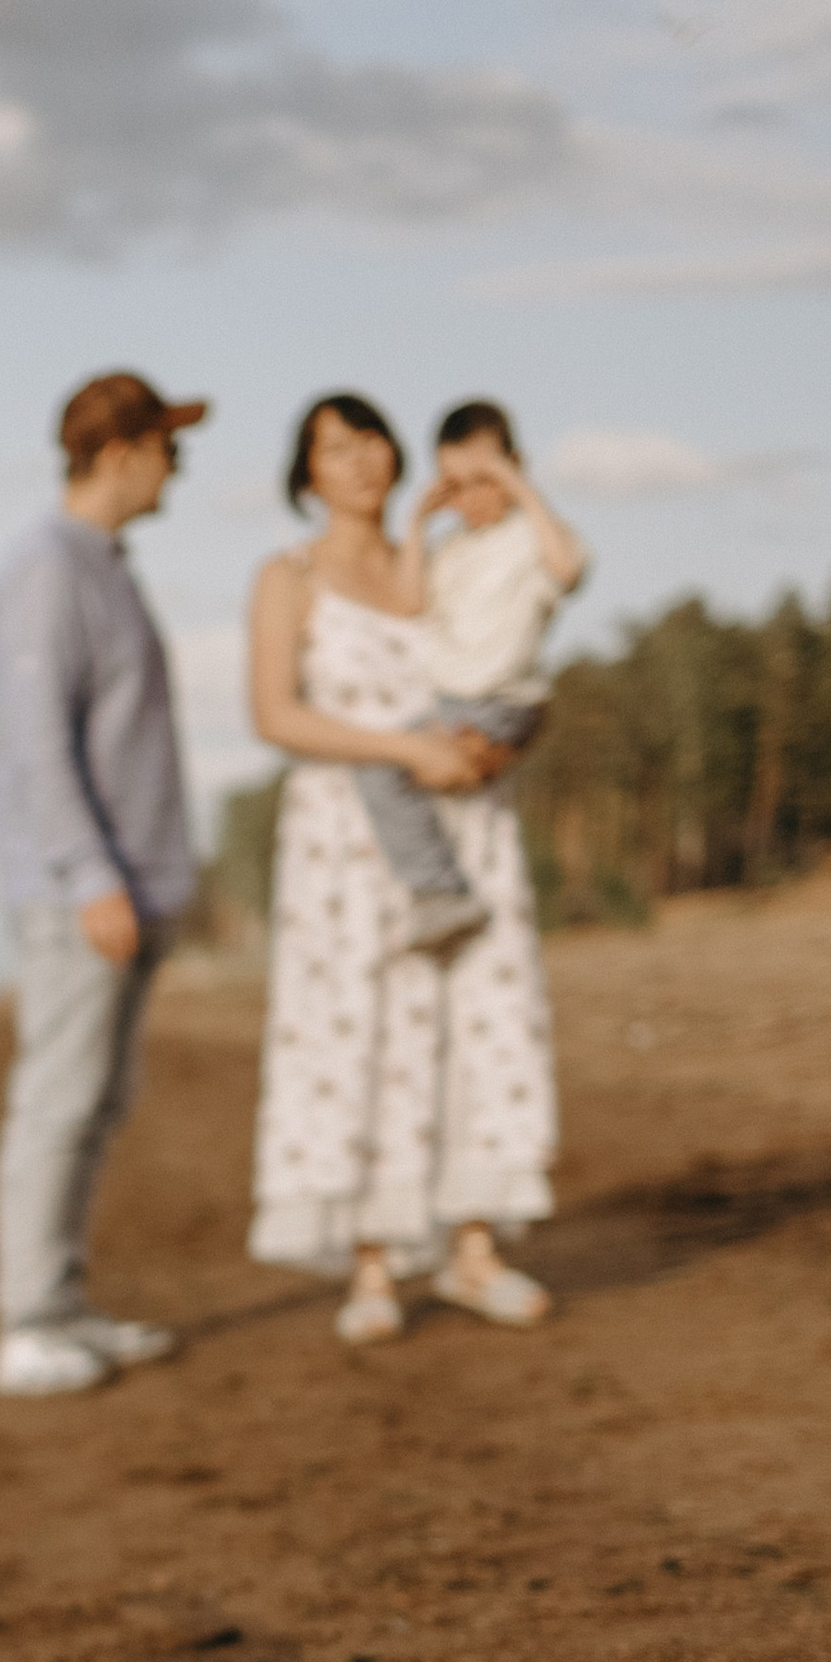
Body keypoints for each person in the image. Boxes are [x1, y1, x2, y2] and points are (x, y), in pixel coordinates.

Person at [246, 391, 560, 1345]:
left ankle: (473, 1247)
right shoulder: (288, 576)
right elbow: (275, 715)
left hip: (468, 822)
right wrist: (400, 751)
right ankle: (373, 1260)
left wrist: (498, 748)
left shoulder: (453, 557)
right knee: (359, 1038)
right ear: (305, 476)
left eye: (370, 437)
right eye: (332, 449)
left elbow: (514, 666)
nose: (358, 460)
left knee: (482, 1027)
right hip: (348, 842)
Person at [0, 366, 207, 1398]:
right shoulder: (47, 567)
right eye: (168, 444)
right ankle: (26, 1324)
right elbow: (36, 745)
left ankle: (62, 1304)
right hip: (89, 892)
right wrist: (88, 877)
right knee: (57, 1102)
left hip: (134, 887)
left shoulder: (105, 564)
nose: (180, 463)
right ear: (117, 452)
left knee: (97, 1101)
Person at [348, 399, 590, 958]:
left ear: (515, 468)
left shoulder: (534, 538)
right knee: (381, 764)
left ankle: (441, 891)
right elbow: (410, 601)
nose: (470, 498)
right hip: (457, 702)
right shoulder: (451, 549)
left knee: (391, 765)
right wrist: (415, 522)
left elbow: (569, 569)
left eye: (484, 481)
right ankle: (440, 890)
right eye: (454, 486)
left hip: (500, 702)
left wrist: (521, 490)